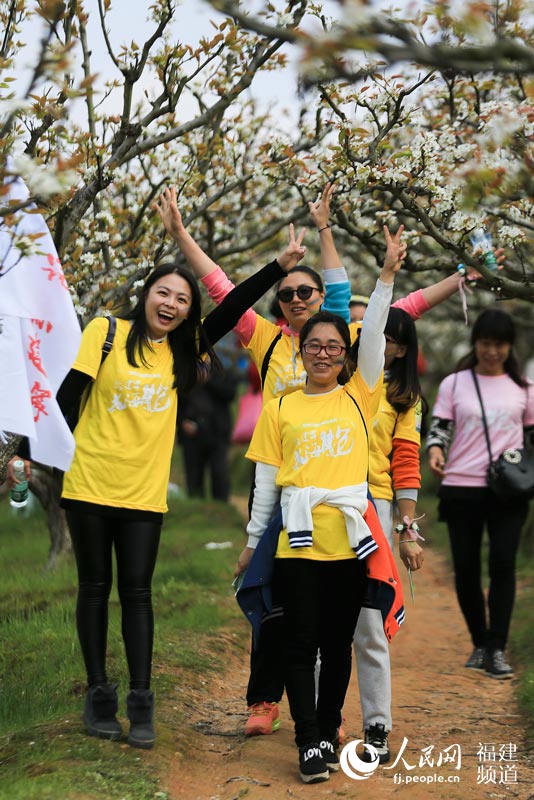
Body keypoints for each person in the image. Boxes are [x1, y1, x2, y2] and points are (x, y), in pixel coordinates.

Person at [153, 183, 493, 740]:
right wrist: (182, 236)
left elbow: (399, 310)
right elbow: (222, 289)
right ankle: (278, 704)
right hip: (289, 489)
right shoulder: (265, 339)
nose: (295, 299)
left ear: (323, 303)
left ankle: (347, 719)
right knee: (282, 603)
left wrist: (436, 274)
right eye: (286, 293)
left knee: (345, 618)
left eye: (306, 291)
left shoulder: (347, 342)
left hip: (352, 495)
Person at [7, 238, 305, 749]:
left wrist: (277, 268)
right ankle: (99, 695)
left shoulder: (183, 351)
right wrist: (27, 452)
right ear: (146, 295)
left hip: (144, 495)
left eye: (182, 300)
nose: (170, 304)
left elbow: (232, 307)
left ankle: (141, 702)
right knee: (95, 590)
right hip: (90, 485)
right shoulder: (105, 331)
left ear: (188, 312)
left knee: (139, 594)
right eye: (163, 293)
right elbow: (67, 397)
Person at [234, 231, 405, 783]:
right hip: (298, 543)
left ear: (345, 355)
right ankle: (308, 740)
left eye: (334, 347)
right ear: (300, 352)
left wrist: (385, 278)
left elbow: (375, 332)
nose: (324, 354)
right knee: (299, 642)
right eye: (314, 347)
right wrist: (253, 540)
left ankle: (329, 728)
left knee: (338, 647)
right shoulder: (280, 406)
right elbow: (266, 481)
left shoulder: (360, 394)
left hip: (350, 540)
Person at [427, 308, 534, 679]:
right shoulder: (454, 384)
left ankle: (497, 649)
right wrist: (436, 450)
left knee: (503, 565)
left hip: (508, 491)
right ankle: (479, 642)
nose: (492, 351)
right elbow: (440, 427)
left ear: (509, 347)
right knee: (467, 569)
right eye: (486, 343)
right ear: (476, 344)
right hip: (461, 487)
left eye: (499, 344)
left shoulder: (523, 390)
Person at [353, 306, 424, 763]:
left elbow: (405, 462)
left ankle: (377, 723)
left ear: (404, 349)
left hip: (373, 507)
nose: (387, 347)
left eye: (396, 341)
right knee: (321, 615)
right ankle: (321, 717)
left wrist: (406, 529)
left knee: (368, 619)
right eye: (381, 336)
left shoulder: (403, 397)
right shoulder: (345, 376)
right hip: (321, 503)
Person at [178, 351, 237, 502]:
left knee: (219, 472)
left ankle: (221, 508)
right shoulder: (184, 372)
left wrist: (208, 379)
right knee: (193, 474)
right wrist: (182, 422)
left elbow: (230, 393)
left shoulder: (222, 370)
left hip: (216, 430)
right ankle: (196, 509)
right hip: (191, 431)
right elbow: (176, 399)